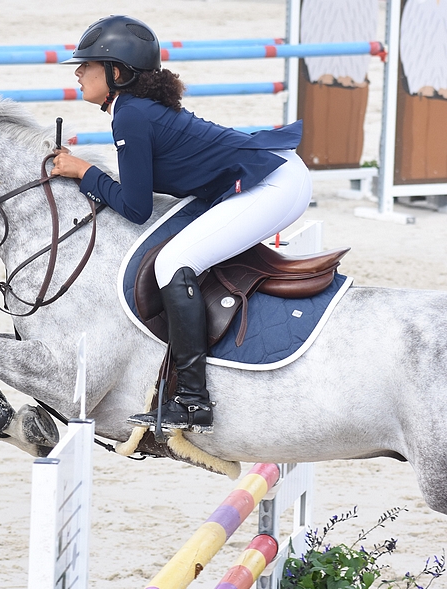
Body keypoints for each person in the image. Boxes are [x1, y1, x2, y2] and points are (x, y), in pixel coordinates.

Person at [51, 15, 312, 434]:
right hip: (275, 175)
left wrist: (86, 172)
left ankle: (192, 401)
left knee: (173, 262)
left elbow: (135, 208)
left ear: (117, 72)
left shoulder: (130, 116)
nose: (79, 72)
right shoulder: (134, 109)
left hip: (275, 184)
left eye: (89, 64)